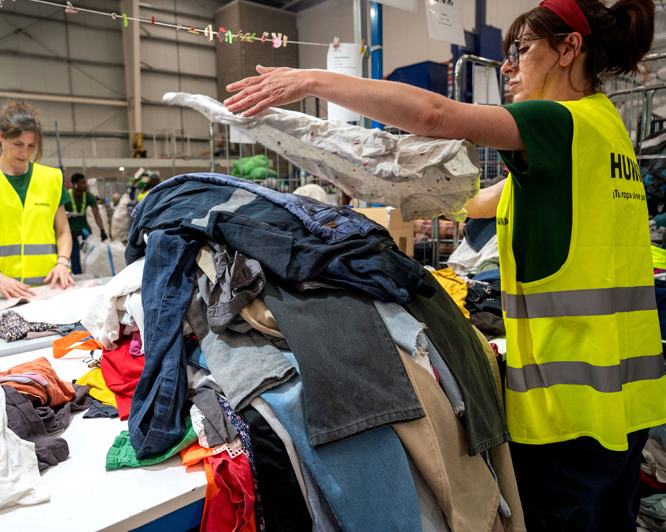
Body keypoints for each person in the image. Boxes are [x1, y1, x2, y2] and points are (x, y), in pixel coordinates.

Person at [224, 0, 666, 530]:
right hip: (629, 406)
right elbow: (490, 200)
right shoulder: (608, 131)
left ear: (570, 49)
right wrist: (422, 193)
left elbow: (435, 117)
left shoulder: (557, 120)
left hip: (567, 415)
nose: (509, 67)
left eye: (521, 50)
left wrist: (312, 81)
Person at [0, 101, 75, 299]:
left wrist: (62, 262)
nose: (25, 153)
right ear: (1, 136)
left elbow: (63, 231)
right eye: (17, 144)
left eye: (31, 146)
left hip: (46, 290)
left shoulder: (52, 179)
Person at [65, 173, 108, 275]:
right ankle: (78, 276)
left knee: (92, 252)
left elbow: (96, 214)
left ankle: (91, 274)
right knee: (74, 254)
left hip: (84, 229)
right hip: (71, 230)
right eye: (83, 183)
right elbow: (60, 216)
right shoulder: (66, 196)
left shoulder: (88, 196)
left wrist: (102, 230)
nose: (86, 185)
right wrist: (68, 231)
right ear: (75, 184)